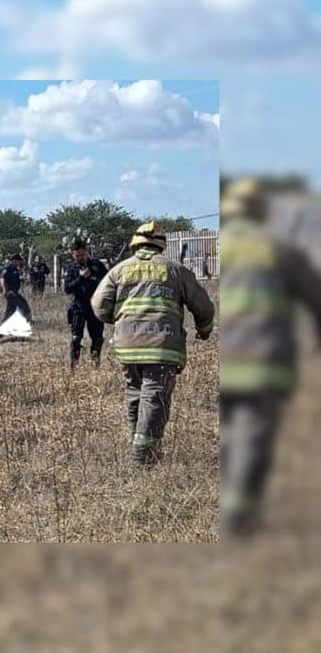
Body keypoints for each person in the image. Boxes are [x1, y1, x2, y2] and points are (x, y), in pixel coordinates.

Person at [217, 178, 321, 538]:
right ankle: (237, 518)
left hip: (224, 359)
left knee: (229, 431)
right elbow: (315, 298)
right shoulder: (279, 250)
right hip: (264, 363)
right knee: (252, 435)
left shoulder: (219, 247)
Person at [91, 221, 215, 465]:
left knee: (135, 394)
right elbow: (203, 307)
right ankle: (142, 457)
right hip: (162, 347)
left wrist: (120, 322)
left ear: (135, 244)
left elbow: (98, 305)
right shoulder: (176, 270)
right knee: (154, 396)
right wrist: (204, 329)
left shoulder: (119, 270)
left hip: (127, 347)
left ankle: (136, 444)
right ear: (161, 246)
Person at [63, 239, 109, 369]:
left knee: (97, 339)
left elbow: (107, 284)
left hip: (95, 307)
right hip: (79, 307)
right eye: (77, 256)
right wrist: (81, 278)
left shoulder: (97, 265)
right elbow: (67, 289)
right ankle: (74, 367)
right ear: (73, 255)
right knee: (76, 339)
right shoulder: (71, 268)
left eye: (82, 255)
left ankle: (95, 366)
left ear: (86, 253)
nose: (80, 258)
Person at [0, 253, 32, 323]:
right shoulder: (7, 268)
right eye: (18, 261)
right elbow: (2, 279)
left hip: (15, 292)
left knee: (22, 305)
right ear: (14, 260)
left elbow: (15, 279)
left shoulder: (16, 269)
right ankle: (4, 322)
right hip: (10, 292)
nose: (19, 262)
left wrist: (21, 280)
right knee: (13, 309)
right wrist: (5, 290)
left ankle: (28, 320)